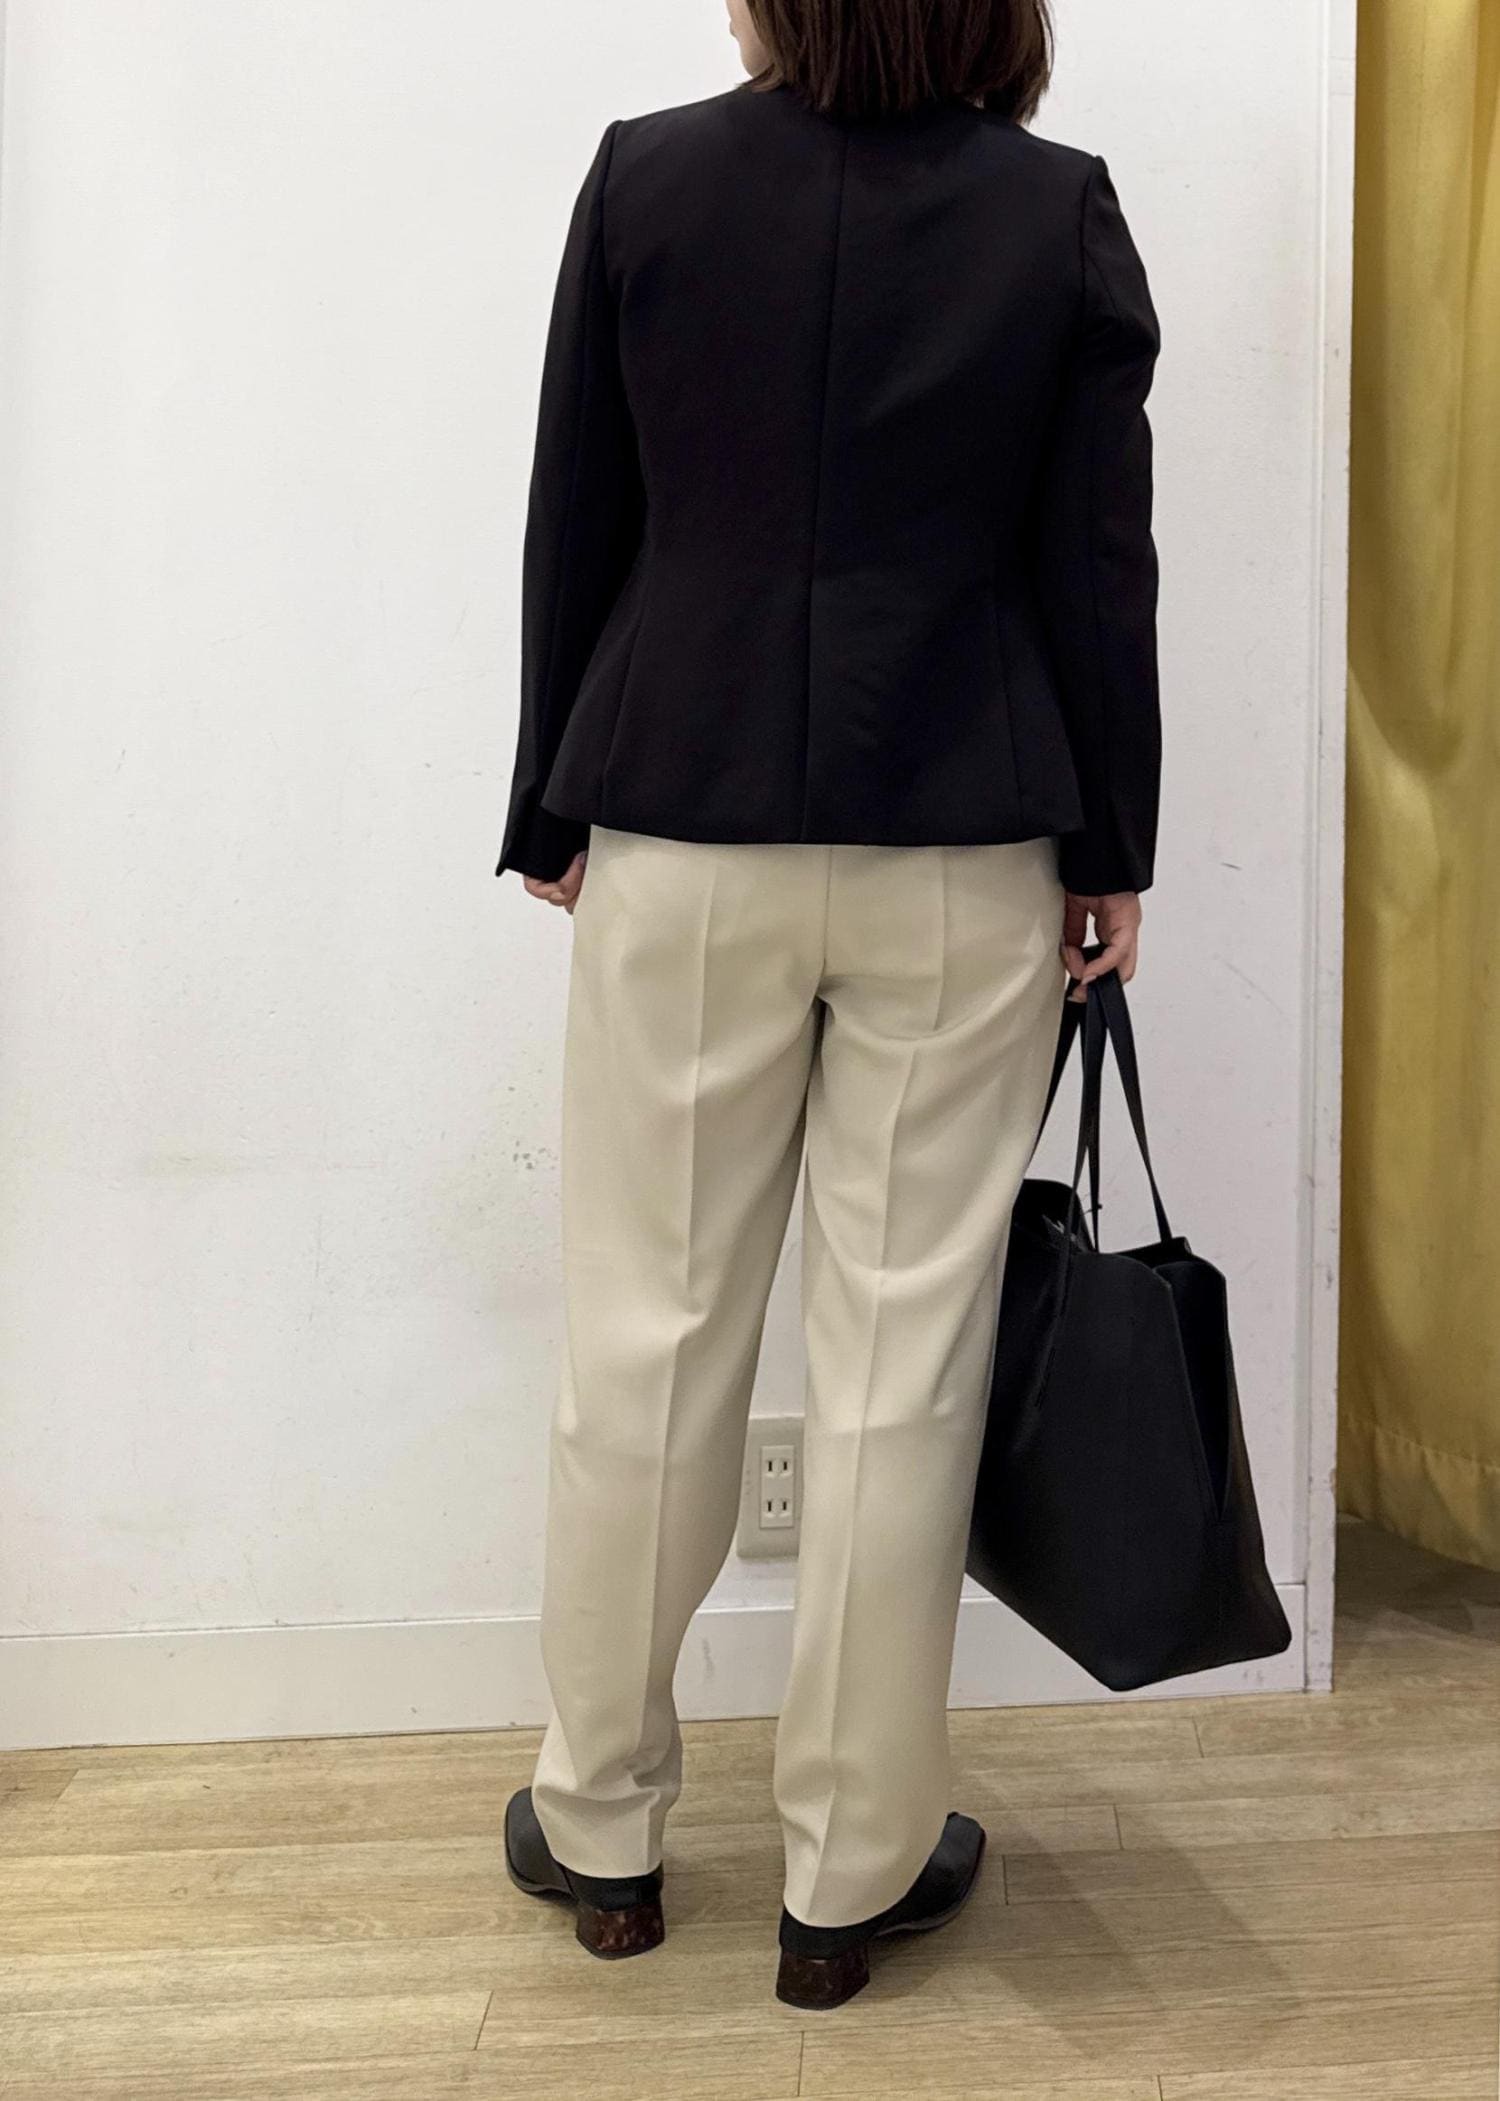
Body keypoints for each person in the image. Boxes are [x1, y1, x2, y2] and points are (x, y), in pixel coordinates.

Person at [496, 0, 1161, 2010]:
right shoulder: (1055, 213)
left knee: (646, 1332)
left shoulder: (648, 180)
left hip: (680, 821)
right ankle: (848, 1873)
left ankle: (603, 1829)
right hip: (961, 837)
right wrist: (1109, 845)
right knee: (901, 1363)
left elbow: (578, 509)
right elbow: (1097, 562)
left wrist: (548, 797)